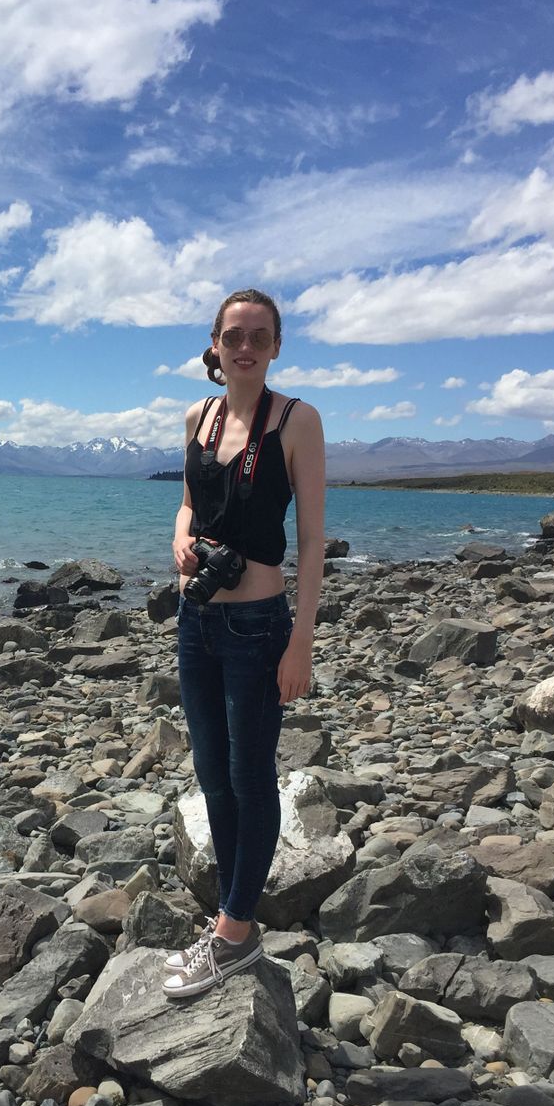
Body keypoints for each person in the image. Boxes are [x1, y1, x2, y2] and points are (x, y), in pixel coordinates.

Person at [163, 287, 325, 998]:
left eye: (260, 336)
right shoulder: (198, 416)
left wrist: (302, 644)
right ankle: (233, 920)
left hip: (260, 627)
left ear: (276, 346)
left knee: (252, 775)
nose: (246, 347)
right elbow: (191, 501)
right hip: (195, 623)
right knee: (213, 774)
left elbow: (314, 540)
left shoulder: (296, 420)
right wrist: (179, 539)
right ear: (216, 344)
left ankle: (233, 932)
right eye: (234, 336)